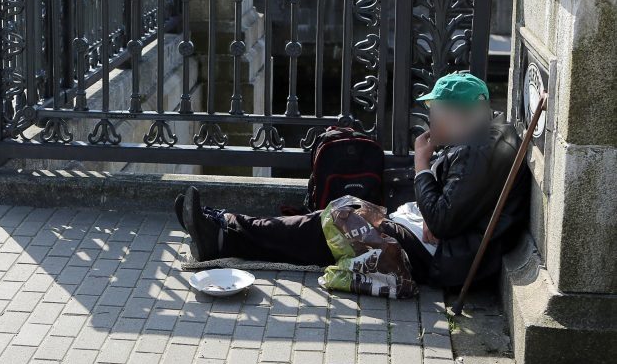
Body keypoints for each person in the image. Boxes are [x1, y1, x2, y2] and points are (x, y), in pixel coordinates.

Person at [175, 73, 530, 288]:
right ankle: (224, 230)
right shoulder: (480, 142)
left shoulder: (480, 152)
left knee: (335, 222)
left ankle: (223, 233)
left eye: (435, 113)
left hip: (437, 259)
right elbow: (446, 214)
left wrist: (423, 165)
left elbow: (441, 220)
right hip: (431, 240)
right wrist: (431, 211)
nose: (430, 121)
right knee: (332, 220)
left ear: (459, 117)